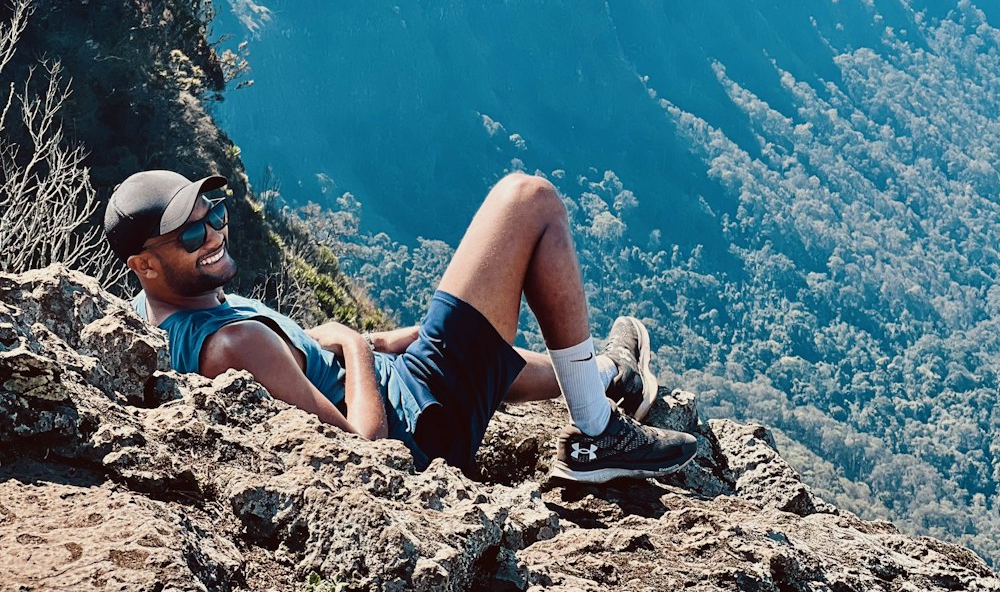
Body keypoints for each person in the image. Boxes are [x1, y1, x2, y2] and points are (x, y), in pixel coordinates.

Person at [104, 168, 698, 483]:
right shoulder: (236, 341)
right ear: (145, 264)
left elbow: (300, 369)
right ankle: (598, 433)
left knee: (469, 343)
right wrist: (358, 344)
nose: (212, 233)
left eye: (214, 214)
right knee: (529, 199)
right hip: (416, 427)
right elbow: (361, 449)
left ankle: (612, 375)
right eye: (189, 234)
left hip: (399, 384)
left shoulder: (151, 319)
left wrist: (363, 344)